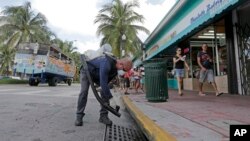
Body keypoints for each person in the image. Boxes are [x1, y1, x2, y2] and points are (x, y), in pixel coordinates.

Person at [75, 55, 132, 126]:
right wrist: (111, 99)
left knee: (105, 93)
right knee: (84, 92)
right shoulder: (107, 63)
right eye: (124, 70)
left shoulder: (114, 71)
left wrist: (107, 94)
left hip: (97, 75)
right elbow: (103, 83)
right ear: (120, 64)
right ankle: (79, 116)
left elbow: (105, 85)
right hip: (87, 71)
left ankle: (103, 116)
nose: (123, 72)